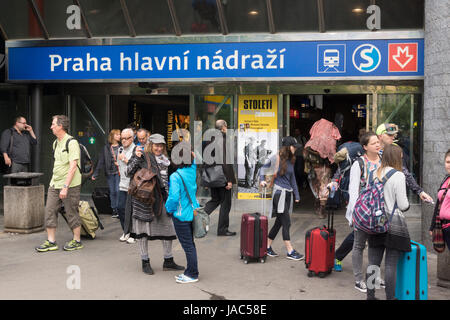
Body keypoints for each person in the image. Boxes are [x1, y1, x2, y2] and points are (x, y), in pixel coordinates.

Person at [126, 133, 184, 275]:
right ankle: (145, 261)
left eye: (161, 145)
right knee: (143, 231)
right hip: (144, 199)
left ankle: (168, 260)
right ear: (150, 145)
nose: (158, 148)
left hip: (162, 198)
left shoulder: (166, 160)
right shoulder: (142, 156)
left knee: (168, 228)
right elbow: (128, 172)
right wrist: (136, 158)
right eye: (156, 145)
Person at [365, 144, 410, 300]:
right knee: (390, 265)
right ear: (397, 158)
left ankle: (370, 296)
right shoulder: (398, 176)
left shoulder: (372, 173)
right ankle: (390, 297)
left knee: (373, 263)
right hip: (392, 225)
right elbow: (403, 204)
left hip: (374, 222)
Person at [35, 115, 83, 252]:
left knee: (71, 212)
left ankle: (77, 240)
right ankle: (51, 241)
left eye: (53, 124)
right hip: (54, 183)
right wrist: (56, 183)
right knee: (49, 210)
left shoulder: (72, 142)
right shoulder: (55, 142)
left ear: (60, 126)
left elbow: (73, 166)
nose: (51, 127)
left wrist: (65, 187)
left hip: (70, 185)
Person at [260, 136, 303, 261]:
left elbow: (293, 178)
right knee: (286, 222)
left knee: (279, 222)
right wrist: (262, 180)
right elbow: (262, 168)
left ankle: (267, 246)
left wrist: (297, 194)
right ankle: (290, 250)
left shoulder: (291, 160)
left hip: (288, 193)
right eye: (294, 147)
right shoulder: (276, 158)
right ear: (288, 147)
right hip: (279, 194)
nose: (295, 149)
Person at [165, 144, 200, 284]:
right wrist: (192, 155)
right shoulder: (192, 170)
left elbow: (173, 198)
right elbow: (195, 160)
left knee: (188, 246)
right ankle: (190, 271)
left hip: (181, 215)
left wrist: (168, 209)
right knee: (190, 244)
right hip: (192, 213)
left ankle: (192, 274)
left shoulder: (175, 176)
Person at [376, 123, 433, 203]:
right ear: (380, 136)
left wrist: (419, 191)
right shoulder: (369, 150)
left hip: (389, 198)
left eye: (393, 135)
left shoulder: (395, 150)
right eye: (389, 135)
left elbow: (404, 172)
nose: (393, 137)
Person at [203, 120, 237, 236]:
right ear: (223, 127)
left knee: (215, 200)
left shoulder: (209, 140)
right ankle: (222, 229)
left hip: (212, 176)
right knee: (225, 203)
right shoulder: (222, 140)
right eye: (226, 127)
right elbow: (225, 161)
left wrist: (207, 179)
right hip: (222, 177)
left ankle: (197, 218)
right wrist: (229, 180)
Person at [91, 129, 121, 218]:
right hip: (110, 173)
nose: (119, 136)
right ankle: (114, 210)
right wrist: (95, 174)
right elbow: (101, 161)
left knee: (117, 190)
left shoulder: (122, 147)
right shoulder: (106, 148)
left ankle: (119, 209)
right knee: (112, 191)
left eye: (119, 134)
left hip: (119, 172)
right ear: (112, 136)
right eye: (117, 134)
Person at [117, 128, 136, 243]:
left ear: (132, 138)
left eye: (126, 138)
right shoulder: (119, 149)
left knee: (132, 210)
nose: (123, 141)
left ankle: (133, 233)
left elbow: (135, 166)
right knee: (120, 208)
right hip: (122, 183)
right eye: (122, 138)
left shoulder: (136, 149)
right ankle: (126, 230)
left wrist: (124, 159)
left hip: (133, 185)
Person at [429, 149, 450, 249]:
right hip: (444, 227)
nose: (449, 165)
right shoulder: (446, 179)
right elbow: (438, 204)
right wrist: (432, 226)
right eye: (447, 162)